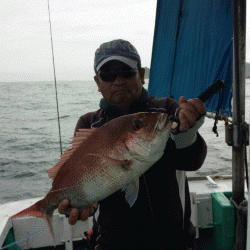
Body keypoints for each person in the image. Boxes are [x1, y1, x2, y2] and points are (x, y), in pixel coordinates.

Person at [58, 39, 207, 250]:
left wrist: (187, 131)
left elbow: (192, 161)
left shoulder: (164, 111)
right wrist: (78, 203)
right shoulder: (90, 124)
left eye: (126, 71)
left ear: (141, 74)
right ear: (97, 82)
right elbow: (79, 178)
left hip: (174, 242)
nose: (118, 81)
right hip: (111, 244)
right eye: (108, 75)